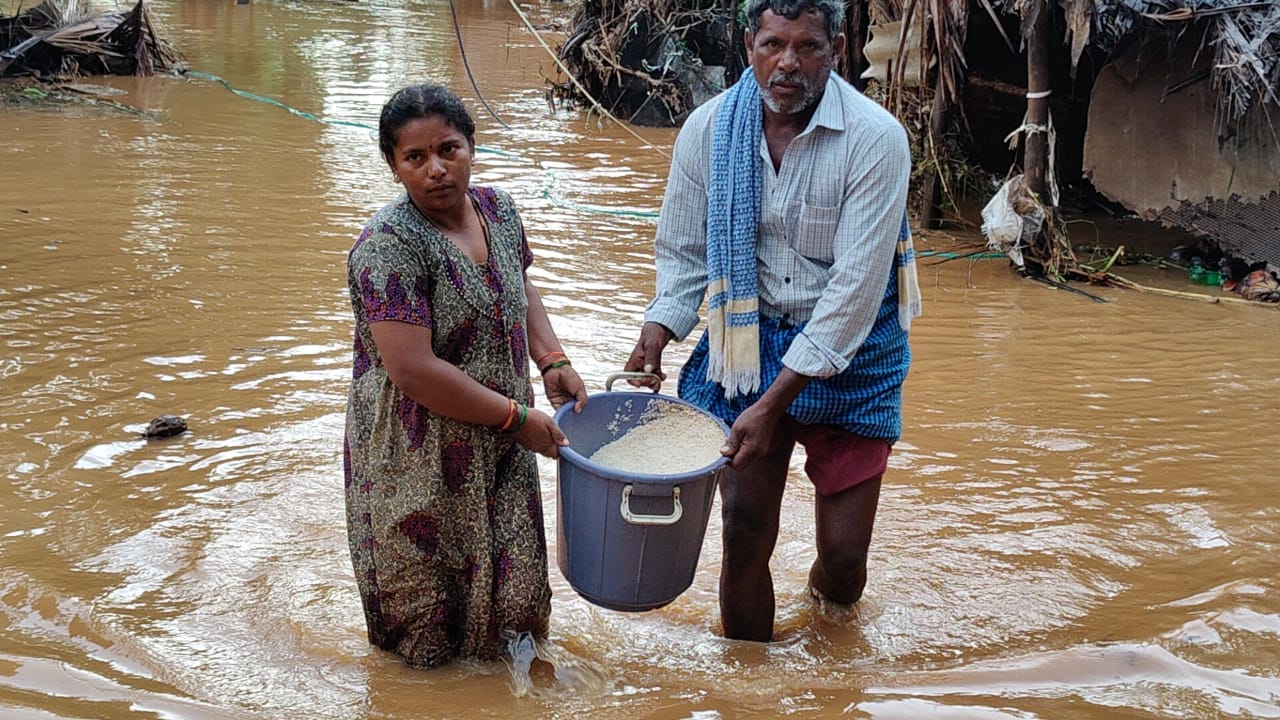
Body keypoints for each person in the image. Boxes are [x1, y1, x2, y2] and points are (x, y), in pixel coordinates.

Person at [625, 0, 921, 642]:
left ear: (837, 50)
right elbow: (682, 252)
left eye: (808, 47)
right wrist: (659, 330)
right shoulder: (707, 131)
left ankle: (830, 650)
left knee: (845, 566)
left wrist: (774, 400)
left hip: (855, 351)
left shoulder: (875, 138)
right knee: (742, 535)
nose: (788, 63)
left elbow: (854, 295)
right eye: (773, 45)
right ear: (746, 43)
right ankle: (749, 691)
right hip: (744, 342)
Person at [344, 83, 588, 667]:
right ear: (393, 166)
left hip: (504, 439)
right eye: (415, 158)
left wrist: (552, 359)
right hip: (417, 455)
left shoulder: (498, 210)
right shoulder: (387, 247)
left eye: (448, 149)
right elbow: (413, 370)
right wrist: (516, 417)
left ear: (472, 147)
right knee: (428, 625)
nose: (436, 170)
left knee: (519, 608)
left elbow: (518, 283)